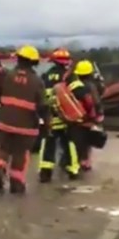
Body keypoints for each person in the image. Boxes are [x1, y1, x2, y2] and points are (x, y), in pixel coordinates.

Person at [0, 45, 45, 194]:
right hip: (26, 125)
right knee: (21, 153)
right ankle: (16, 183)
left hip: (4, 122)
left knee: (3, 148)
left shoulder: (7, 76)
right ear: (34, 62)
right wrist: (47, 125)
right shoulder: (37, 81)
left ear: (18, 59)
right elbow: (43, 106)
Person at [38, 48, 81, 182]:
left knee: (47, 143)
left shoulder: (45, 75)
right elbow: (79, 93)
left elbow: (41, 97)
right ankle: (73, 170)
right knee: (69, 143)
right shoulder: (69, 76)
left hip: (50, 116)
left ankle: (45, 172)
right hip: (66, 118)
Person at [72, 60, 102, 171]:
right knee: (88, 140)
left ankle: (77, 161)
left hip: (75, 117)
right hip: (89, 117)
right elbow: (96, 102)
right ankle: (86, 162)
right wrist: (99, 115)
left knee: (77, 141)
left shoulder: (73, 85)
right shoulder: (91, 86)